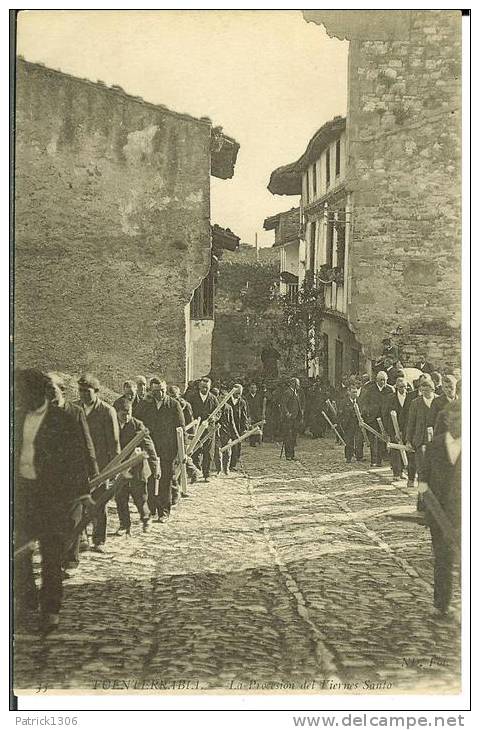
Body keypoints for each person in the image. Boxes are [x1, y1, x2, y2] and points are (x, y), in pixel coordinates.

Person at [14, 369, 93, 633]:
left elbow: (77, 458)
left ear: (38, 392)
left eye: (22, 392)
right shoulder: (14, 418)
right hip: (23, 496)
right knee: (19, 552)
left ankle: (50, 609)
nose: (18, 396)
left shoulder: (61, 420)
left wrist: (82, 493)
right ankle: (27, 597)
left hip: (52, 498)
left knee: (50, 555)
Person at [46, 373, 99, 570]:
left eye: (52, 389)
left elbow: (87, 444)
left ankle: (70, 560)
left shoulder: (75, 412)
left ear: (62, 390)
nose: (48, 393)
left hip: (74, 475)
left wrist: (93, 470)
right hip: (50, 475)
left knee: (73, 519)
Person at [419, 400, 461, 618]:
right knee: (443, 558)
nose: (458, 424)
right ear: (446, 419)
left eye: (463, 419)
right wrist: (425, 506)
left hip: (465, 514)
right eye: (454, 419)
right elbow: (423, 479)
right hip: (439, 513)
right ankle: (441, 603)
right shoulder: (435, 446)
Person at [76, 374, 120, 552]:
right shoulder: (75, 408)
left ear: (96, 392)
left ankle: (99, 539)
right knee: (78, 503)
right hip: (78, 465)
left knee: (98, 503)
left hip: (100, 467)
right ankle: (81, 538)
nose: (83, 395)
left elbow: (114, 442)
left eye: (87, 392)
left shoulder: (107, 411)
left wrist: (114, 468)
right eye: (80, 391)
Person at [137, 378, 185, 522]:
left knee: (165, 480)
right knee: (150, 479)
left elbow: (180, 428)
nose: (160, 394)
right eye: (157, 391)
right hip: (150, 449)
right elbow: (136, 422)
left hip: (167, 450)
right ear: (151, 391)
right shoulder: (145, 405)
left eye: (163, 390)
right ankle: (151, 510)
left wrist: (179, 452)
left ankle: (164, 511)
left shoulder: (173, 405)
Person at [113, 398, 159, 535]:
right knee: (120, 497)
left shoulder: (137, 425)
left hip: (136, 468)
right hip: (118, 468)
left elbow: (149, 447)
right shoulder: (111, 425)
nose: (126, 417)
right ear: (116, 412)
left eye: (129, 413)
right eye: (123, 414)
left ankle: (146, 519)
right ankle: (124, 525)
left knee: (140, 497)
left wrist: (155, 466)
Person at [406, 375, 443, 510]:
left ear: (433, 389)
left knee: (435, 472)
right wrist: (409, 440)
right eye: (423, 390)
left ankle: (435, 501)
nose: (426, 393)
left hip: (435, 442)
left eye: (428, 390)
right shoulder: (416, 403)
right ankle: (421, 500)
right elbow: (411, 423)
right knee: (422, 472)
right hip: (421, 441)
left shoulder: (438, 401)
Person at [383, 375, 416, 485]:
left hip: (406, 428)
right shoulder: (390, 398)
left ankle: (402, 471)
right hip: (393, 427)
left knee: (405, 449)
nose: (403, 389)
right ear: (396, 387)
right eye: (401, 387)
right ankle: (396, 473)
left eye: (405, 387)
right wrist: (389, 430)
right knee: (395, 450)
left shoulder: (410, 398)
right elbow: (386, 415)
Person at [358, 370, 394, 467]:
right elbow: (364, 403)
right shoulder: (370, 389)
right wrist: (368, 412)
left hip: (384, 418)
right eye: (381, 380)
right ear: (377, 380)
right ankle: (373, 460)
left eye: (385, 380)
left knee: (383, 438)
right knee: (373, 439)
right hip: (372, 418)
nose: (383, 382)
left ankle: (379, 460)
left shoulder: (390, 390)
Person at [185, 376, 218, 482]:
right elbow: (187, 411)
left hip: (208, 429)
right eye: (203, 387)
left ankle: (206, 474)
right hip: (196, 428)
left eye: (207, 388)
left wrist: (214, 418)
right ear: (199, 386)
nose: (204, 389)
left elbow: (218, 412)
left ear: (210, 387)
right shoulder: (192, 397)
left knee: (208, 452)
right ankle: (195, 472)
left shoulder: (213, 398)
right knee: (195, 451)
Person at [214, 385, 239, 475]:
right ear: (218, 397)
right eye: (221, 397)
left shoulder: (229, 408)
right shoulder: (215, 407)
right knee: (217, 452)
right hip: (217, 432)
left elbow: (232, 422)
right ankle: (218, 470)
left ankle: (226, 468)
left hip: (226, 433)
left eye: (225, 398)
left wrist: (235, 435)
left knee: (228, 452)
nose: (223, 399)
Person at [279, 377, 304, 461]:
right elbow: (283, 404)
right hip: (289, 419)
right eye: (298, 384)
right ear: (293, 384)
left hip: (295, 418)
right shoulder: (288, 392)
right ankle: (288, 455)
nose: (299, 385)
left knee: (293, 437)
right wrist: (287, 413)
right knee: (288, 437)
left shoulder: (296, 392)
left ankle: (292, 454)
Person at [338, 383, 364, 463]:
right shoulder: (344, 402)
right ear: (349, 392)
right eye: (353, 392)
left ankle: (359, 456)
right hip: (348, 424)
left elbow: (363, 411)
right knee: (349, 441)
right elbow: (340, 414)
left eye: (356, 392)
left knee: (359, 440)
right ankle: (348, 457)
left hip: (357, 424)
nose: (355, 394)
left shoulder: (359, 401)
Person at [245, 382, 263, 447]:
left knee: (258, 428)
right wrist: (248, 415)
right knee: (251, 428)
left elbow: (261, 406)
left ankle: (258, 440)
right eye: (251, 388)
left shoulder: (259, 396)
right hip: (251, 415)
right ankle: (252, 442)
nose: (253, 389)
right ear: (249, 389)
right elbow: (246, 407)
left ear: (256, 389)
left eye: (254, 388)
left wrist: (261, 414)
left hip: (258, 414)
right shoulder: (246, 397)